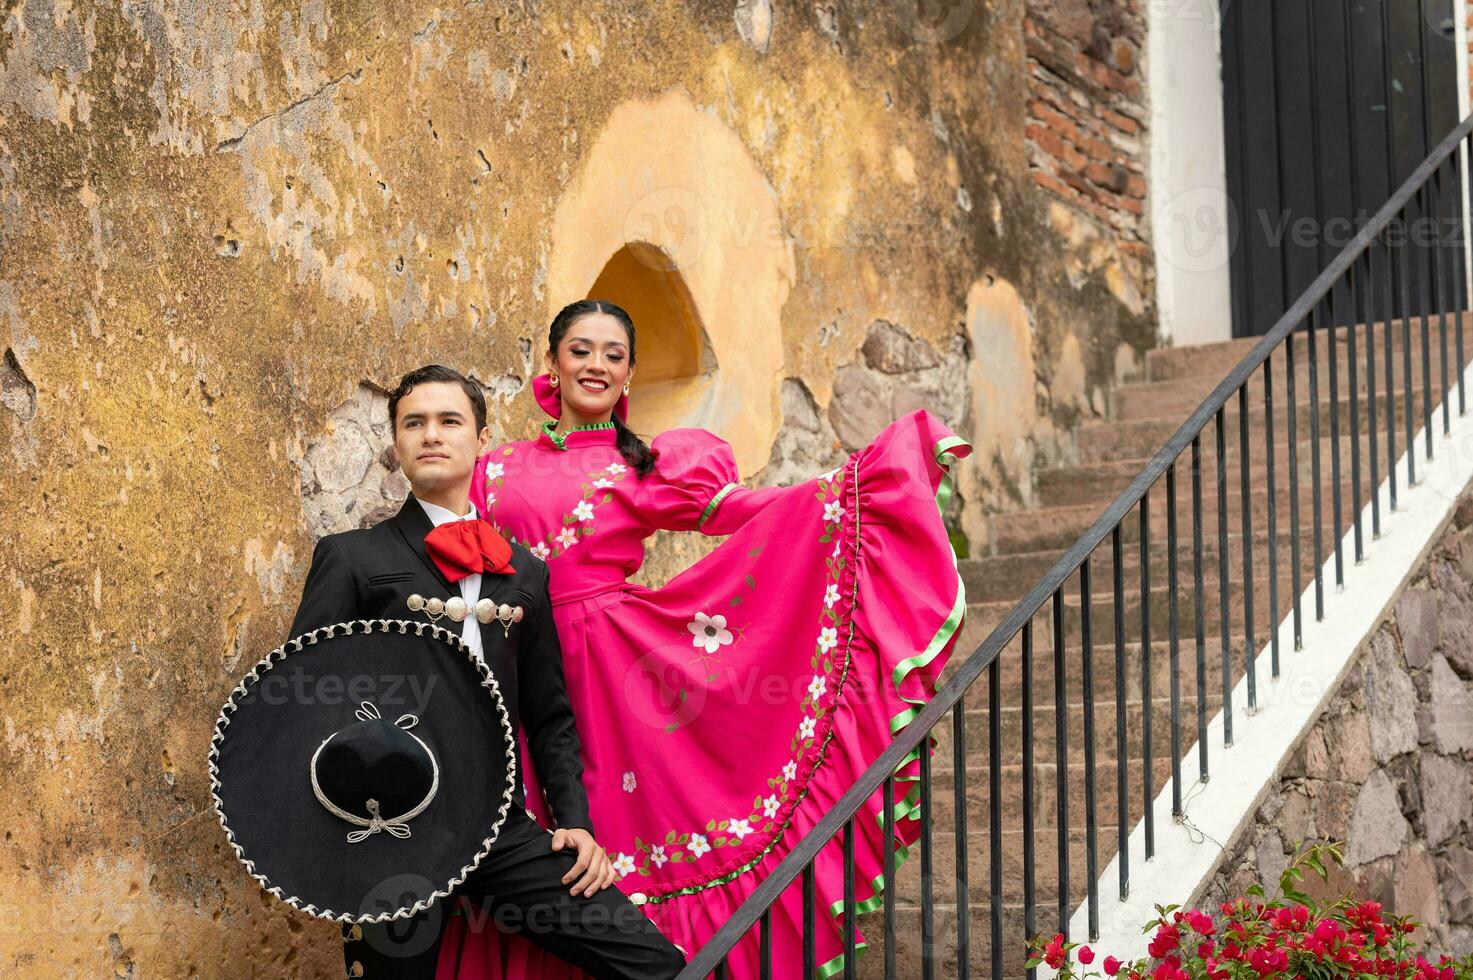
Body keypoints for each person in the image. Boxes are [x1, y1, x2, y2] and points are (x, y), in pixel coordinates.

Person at [435, 300, 972, 978]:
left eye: (612, 354)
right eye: (580, 350)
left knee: (615, 835)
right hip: (510, 669)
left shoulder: (645, 466)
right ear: (552, 364)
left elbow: (740, 513)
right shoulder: (495, 466)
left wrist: (852, 493)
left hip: (609, 671)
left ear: (628, 375)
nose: (595, 364)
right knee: (529, 850)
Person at [289, 363, 686, 980]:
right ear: (396, 444)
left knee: (652, 962)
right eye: (413, 423)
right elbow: (301, 696)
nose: (431, 435)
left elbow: (549, 715)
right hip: (391, 829)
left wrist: (575, 823)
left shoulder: (525, 573)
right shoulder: (351, 558)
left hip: (500, 827)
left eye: (450, 421)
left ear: (480, 438)